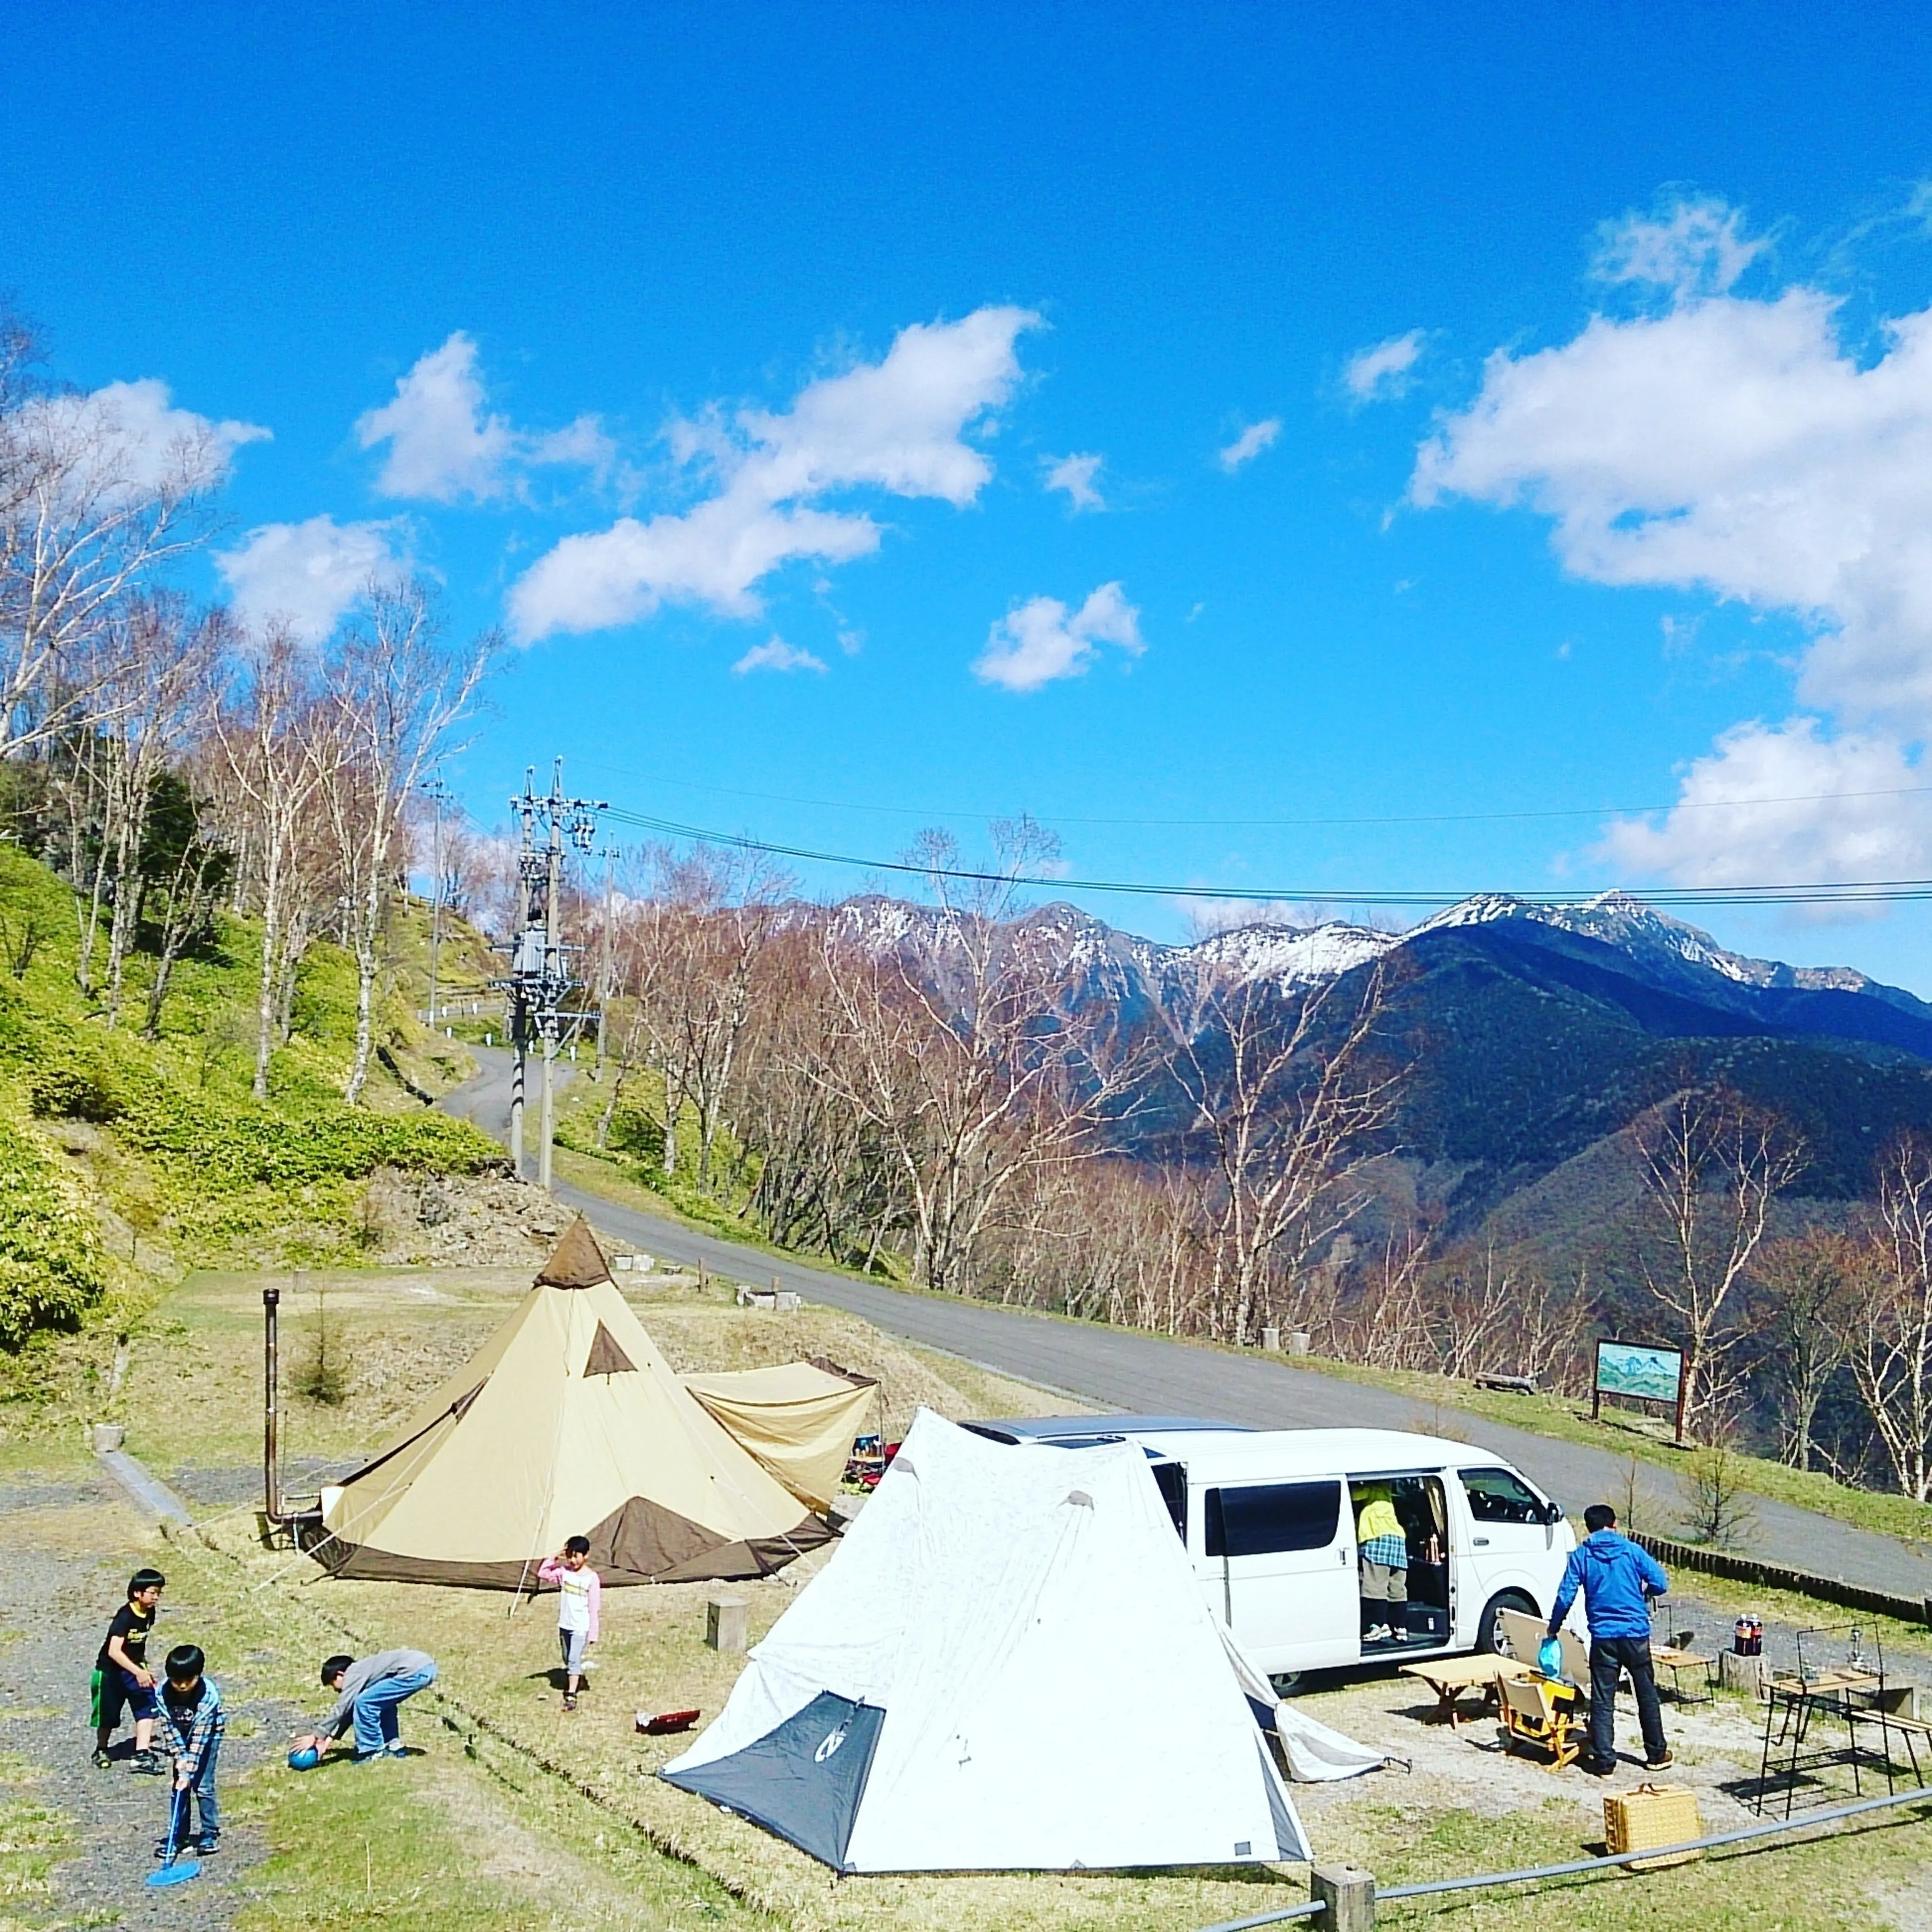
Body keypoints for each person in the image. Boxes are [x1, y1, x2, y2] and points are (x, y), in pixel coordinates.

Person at [1548, 1502, 1672, 1776]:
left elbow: (1565, 1595)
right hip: (1635, 1634)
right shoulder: (1631, 1550)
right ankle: (1656, 1754)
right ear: (1614, 1524)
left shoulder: (1582, 1555)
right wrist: (1644, 1592)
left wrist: (1553, 1627)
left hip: (1603, 1637)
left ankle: (1604, 1761)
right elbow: (1661, 1583)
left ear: (1589, 1528)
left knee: (1603, 1699)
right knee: (1646, 1694)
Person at [292, 1649, 438, 1764]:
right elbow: (349, 1711)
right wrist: (327, 1740)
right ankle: (393, 1747)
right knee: (379, 1703)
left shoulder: (353, 1674)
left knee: (365, 1703)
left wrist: (316, 1736)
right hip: (426, 1668)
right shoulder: (363, 1672)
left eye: (333, 1684)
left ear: (340, 1674)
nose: (336, 1690)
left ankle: (371, 1750)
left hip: (414, 1670)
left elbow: (342, 1708)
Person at [154, 1644, 224, 1859]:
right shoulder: (163, 1693)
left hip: (208, 1737)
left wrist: (188, 1771)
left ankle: (209, 1834)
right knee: (179, 1789)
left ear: (199, 1675)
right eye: (177, 1681)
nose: (182, 1686)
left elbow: (200, 1739)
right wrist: (179, 1760)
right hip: (181, 1736)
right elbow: (169, 1729)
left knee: (202, 1787)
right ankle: (179, 1837)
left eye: (188, 1680)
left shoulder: (208, 1698)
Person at [93, 1568, 165, 1773]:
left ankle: (142, 1754)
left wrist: (144, 1668)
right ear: (137, 1593)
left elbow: (139, 1644)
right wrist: (137, 1671)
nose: (156, 1597)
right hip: (111, 1672)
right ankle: (101, 1749)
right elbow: (114, 1651)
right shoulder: (125, 1617)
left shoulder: (149, 1612)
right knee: (108, 1715)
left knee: (147, 1706)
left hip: (134, 1669)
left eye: (159, 1593)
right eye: (152, 1593)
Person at [537, 1535, 601, 1712]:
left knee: (573, 1659)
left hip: (580, 1627)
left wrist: (593, 1632)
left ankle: (571, 1694)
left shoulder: (592, 1579)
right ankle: (577, 1673)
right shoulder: (564, 1574)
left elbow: (594, 1607)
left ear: (586, 1555)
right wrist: (555, 1556)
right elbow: (543, 1573)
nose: (573, 1560)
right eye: (570, 1556)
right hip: (565, 1624)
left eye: (577, 1556)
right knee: (567, 1658)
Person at [1355, 1483, 1408, 1645]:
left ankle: (1377, 1626)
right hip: (1398, 1540)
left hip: (1377, 1537)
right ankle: (1400, 1628)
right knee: (1397, 1588)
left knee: (1375, 1587)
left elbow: (1354, 1495)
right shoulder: (1387, 1491)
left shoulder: (1371, 1488)